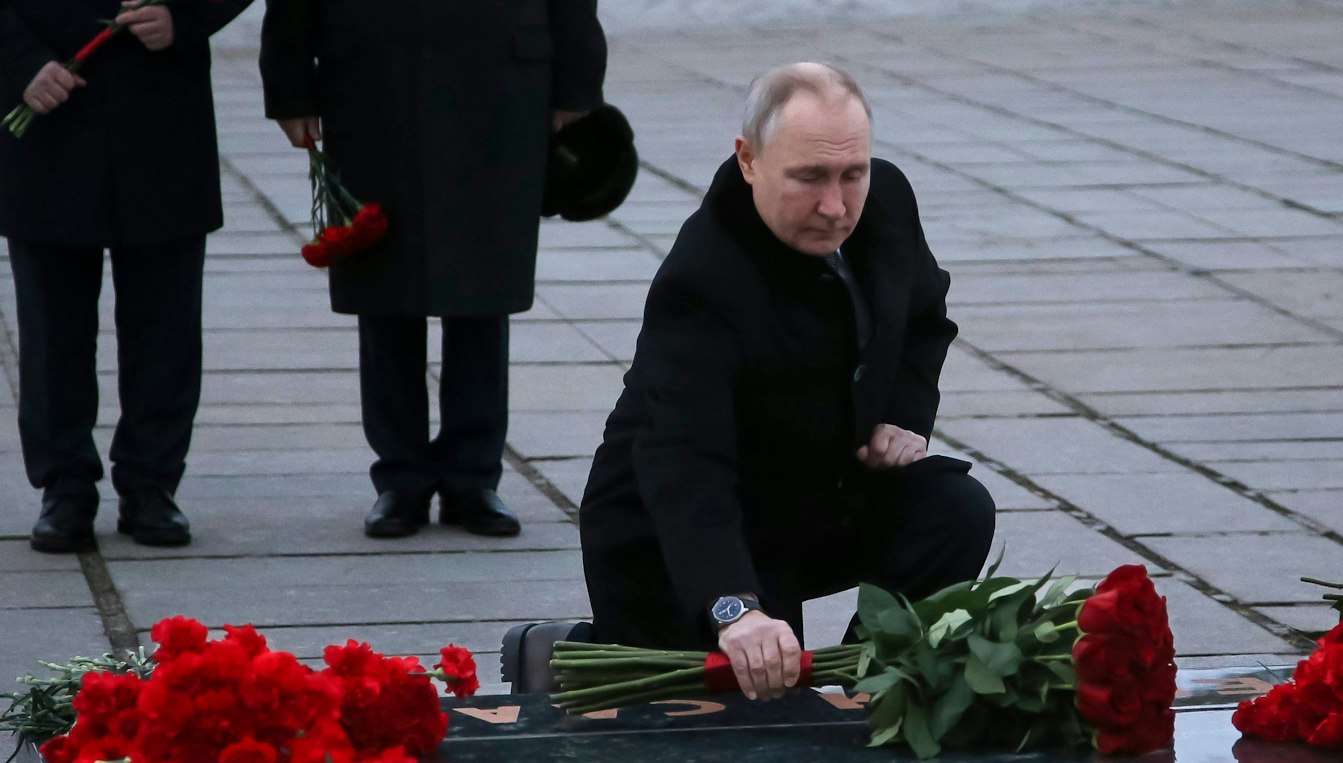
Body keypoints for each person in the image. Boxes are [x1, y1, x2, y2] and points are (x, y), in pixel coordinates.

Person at [521, 62, 994, 700]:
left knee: (954, 511)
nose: (835, 206)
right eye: (808, 178)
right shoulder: (702, 281)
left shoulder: (886, 202)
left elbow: (924, 318)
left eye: (852, 173)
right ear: (748, 161)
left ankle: (872, 679)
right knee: (748, 711)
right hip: (680, 532)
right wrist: (733, 608)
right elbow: (684, 463)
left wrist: (905, 414)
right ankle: (567, 652)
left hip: (808, 496)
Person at [259, 0, 607, 539]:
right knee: (382, 280)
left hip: (499, 77)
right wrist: (290, 86)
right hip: (371, 80)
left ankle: (473, 476)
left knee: (484, 283)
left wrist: (577, 81)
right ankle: (400, 478)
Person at [1, 0, 254, 552]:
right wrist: (18, 62)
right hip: (48, 111)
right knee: (51, 328)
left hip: (162, 110)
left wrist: (185, 16)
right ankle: (64, 485)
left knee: (166, 325)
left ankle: (152, 484)